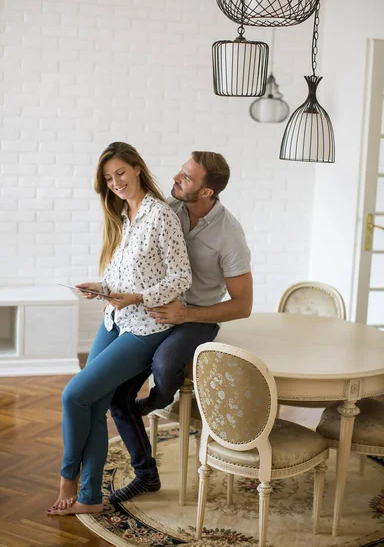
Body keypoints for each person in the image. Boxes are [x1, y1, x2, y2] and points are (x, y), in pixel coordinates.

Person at [47, 142, 192, 516]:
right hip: (115, 318)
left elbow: (181, 277)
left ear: (137, 169)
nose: (116, 182)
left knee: (72, 395)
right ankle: (91, 497)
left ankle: (68, 476)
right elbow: (123, 277)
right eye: (109, 179)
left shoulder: (161, 216)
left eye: (121, 173)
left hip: (146, 326)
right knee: (91, 402)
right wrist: (102, 288)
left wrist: (138, 298)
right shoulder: (123, 216)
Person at [109, 151, 252, 503]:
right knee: (115, 395)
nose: (176, 178)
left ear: (207, 192)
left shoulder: (229, 234)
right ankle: (146, 474)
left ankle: (158, 400)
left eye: (187, 178)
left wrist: (184, 316)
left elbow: (242, 305)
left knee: (164, 363)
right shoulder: (166, 209)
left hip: (196, 316)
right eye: (181, 171)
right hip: (153, 309)